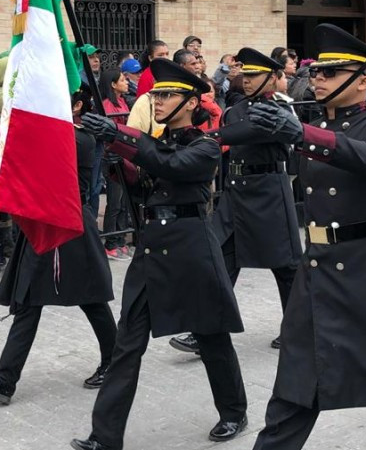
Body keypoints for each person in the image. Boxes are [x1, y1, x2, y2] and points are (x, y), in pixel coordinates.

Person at [248, 24, 366, 450]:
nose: (317, 79)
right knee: (296, 384)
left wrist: (303, 134)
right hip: (317, 269)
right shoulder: (314, 125)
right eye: (316, 72)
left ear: (364, 81)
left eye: (330, 73)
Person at [71, 59, 248, 450]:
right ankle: (105, 436)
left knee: (211, 336)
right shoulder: (155, 141)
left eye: (166, 95)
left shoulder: (205, 145)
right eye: (155, 95)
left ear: (190, 102)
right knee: (127, 344)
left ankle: (234, 411)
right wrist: (119, 163)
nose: (157, 101)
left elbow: (174, 165)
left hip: (191, 250)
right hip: (151, 250)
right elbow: (146, 181)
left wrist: (122, 137)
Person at [0, 86, 117, 403]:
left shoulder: (81, 138)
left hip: (70, 225)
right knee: (28, 301)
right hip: (42, 223)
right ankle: (5, 381)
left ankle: (114, 362)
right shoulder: (54, 132)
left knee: (92, 299)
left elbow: (34, 142)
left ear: (78, 105)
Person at [170, 48, 304, 357]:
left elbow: (250, 131)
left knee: (286, 267)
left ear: (273, 78)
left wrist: (206, 137)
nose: (247, 80)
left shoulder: (279, 110)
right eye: (245, 75)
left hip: (269, 193)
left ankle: (298, 328)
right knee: (220, 262)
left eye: (255, 76)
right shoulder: (235, 109)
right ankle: (206, 332)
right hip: (236, 193)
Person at [98, 68, 133, 258]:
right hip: (113, 156)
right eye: (122, 80)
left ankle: (121, 239)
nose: (127, 83)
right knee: (115, 202)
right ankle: (111, 242)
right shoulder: (106, 105)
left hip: (125, 155)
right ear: (113, 84)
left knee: (124, 202)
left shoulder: (122, 101)